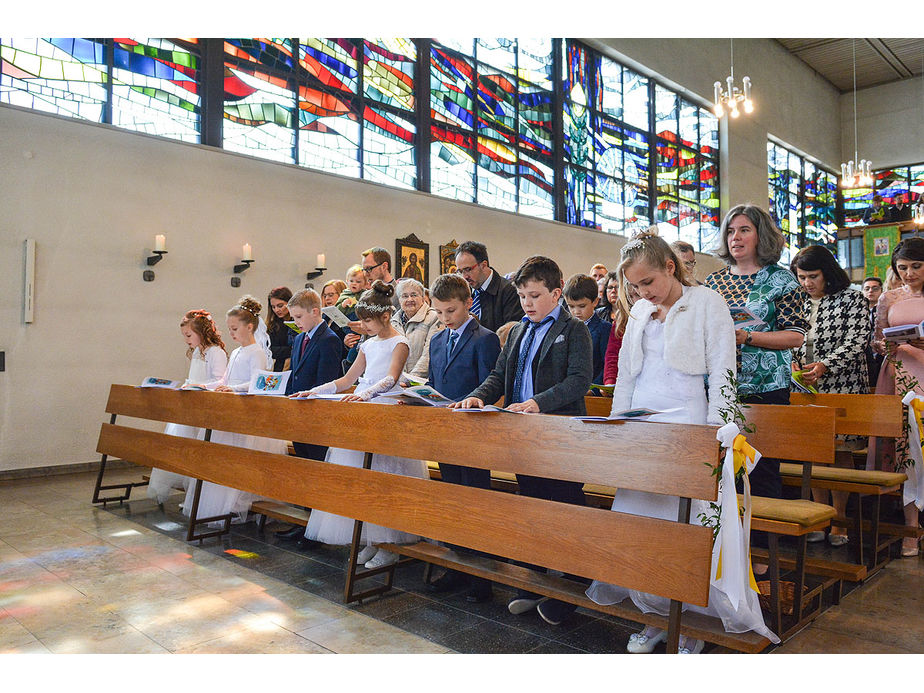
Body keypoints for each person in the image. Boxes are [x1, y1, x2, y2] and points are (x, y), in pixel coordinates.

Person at [585, 228, 776, 653]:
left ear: (670, 267)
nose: (642, 293)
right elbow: (628, 375)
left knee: (687, 525)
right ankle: (654, 615)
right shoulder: (637, 312)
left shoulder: (706, 303)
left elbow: (724, 371)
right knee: (644, 524)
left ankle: (693, 622)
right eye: (634, 286)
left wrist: (718, 432)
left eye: (648, 282)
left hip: (688, 420)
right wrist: (617, 425)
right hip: (642, 423)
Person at [451, 255, 593, 626]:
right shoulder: (517, 331)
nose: (527, 303)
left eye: (534, 295)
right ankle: (536, 579)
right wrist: (478, 395)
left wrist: (538, 402)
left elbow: (579, 380)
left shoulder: (574, 329)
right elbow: (499, 376)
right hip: (523, 435)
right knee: (531, 504)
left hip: (559, 434)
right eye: (523, 296)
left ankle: (575, 584)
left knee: (562, 506)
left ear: (556, 293)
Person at [293, 281, 428, 569]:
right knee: (362, 482)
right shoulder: (367, 344)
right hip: (363, 411)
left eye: (367, 321)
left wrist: (365, 394)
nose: (363, 327)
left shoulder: (399, 342)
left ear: (384, 317)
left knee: (384, 482)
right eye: (362, 321)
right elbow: (346, 379)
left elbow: (391, 378)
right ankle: (370, 539)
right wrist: (317, 390)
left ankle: (388, 544)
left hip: (385, 412)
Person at [705, 205, 809, 518]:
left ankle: (762, 551)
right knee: (721, 466)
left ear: (760, 235)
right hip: (722, 386)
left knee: (761, 469)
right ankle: (726, 544)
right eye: (730, 231)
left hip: (766, 387)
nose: (735, 237)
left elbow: (795, 337)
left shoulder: (782, 280)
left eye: (744, 230)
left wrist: (747, 337)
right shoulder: (713, 282)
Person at [424, 273, 502, 603]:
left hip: (473, 434)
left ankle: (481, 577)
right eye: (439, 313)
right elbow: (433, 380)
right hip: (445, 431)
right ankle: (456, 566)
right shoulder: (438, 339)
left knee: (476, 501)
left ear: (468, 304)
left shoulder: (485, 339)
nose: (445, 319)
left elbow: (491, 387)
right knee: (453, 500)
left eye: (451, 311)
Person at [790, 245, 871, 546]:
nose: (807, 283)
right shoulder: (796, 301)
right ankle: (817, 516)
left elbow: (858, 340)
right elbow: (790, 336)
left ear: (828, 273)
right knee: (813, 453)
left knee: (839, 453)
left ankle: (838, 520)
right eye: (801, 277)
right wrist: (794, 361)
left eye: (813, 276)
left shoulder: (851, 298)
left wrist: (825, 365)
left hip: (843, 384)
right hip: (805, 386)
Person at [184, 297, 288, 524]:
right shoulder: (238, 352)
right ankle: (223, 504)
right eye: (229, 329)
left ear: (249, 327)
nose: (230, 333)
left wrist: (231, 388)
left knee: (240, 461)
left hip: (246, 414)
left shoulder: (256, 352)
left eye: (234, 328)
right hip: (230, 411)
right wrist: (204, 385)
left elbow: (256, 383)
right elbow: (224, 380)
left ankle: (238, 504)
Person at [867, 238, 924, 557]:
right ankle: (910, 528)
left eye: (916, 266)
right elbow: (877, 340)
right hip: (898, 374)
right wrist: (884, 346)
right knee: (904, 450)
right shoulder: (889, 297)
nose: (909, 273)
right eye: (902, 268)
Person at [273, 288, 344, 542]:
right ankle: (305, 522)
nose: (296, 323)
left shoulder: (329, 339)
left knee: (317, 471)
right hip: (299, 414)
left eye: (299, 317)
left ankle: (318, 529)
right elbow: (295, 375)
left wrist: (308, 405)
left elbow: (327, 380)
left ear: (316, 312)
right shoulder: (301, 338)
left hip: (316, 418)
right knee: (305, 471)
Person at [147, 309, 227, 505]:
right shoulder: (199, 352)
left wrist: (200, 386)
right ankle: (191, 494)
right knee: (186, 452)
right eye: (184, 335)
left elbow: (221, 381)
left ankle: (199, 497)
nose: (186, 340)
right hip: (192, 408)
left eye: (188, 335)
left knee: (201, 454)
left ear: (202, 331)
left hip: (207, 409)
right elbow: (194, 377)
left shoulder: (216, 352)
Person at [454, 240, 524, 332]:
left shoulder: (509, 291)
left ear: (483, 265)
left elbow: (511, 335)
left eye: (468, 269)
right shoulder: (464, 292)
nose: (464, 276)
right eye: (460, 271)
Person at [563, 273, 610, 387]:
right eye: (571, 306)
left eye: (582, 306)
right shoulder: (563, 328)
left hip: (591, 391)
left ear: (595, 302)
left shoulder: (604, 329)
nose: (576, 312)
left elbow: (606, 365)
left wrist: (594, 388)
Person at [391, 278, 442, 380]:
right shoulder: (393, 322)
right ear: (399, 300)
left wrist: (411, 380)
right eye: (405, 296)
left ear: (423, 298)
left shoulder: (434, 318)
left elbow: (429, 354)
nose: (409, 299)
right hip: (397, 383)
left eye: (414, 295)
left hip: (422, 382)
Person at [602, 280, 637, 386]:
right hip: (625, 381)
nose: (634, 300)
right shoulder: (621, 319)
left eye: (637, 295)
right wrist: (610, 381)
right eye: (630, 296)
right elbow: (613, 354)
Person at [862, 276, 885, 389]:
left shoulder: (886, 310)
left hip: (882, 353)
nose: (870, 291)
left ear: (881, 290)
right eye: (867, 288)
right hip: (865, 356)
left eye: (875, 288)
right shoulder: (857, 311)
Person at [266, 286, 294, 372]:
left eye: (280, 306)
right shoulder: (272, 325)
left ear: (290, 303)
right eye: (273, 307)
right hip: (279, 369)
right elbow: (269, 350)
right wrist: (292, 350)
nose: (277, 310)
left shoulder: (299, 322)